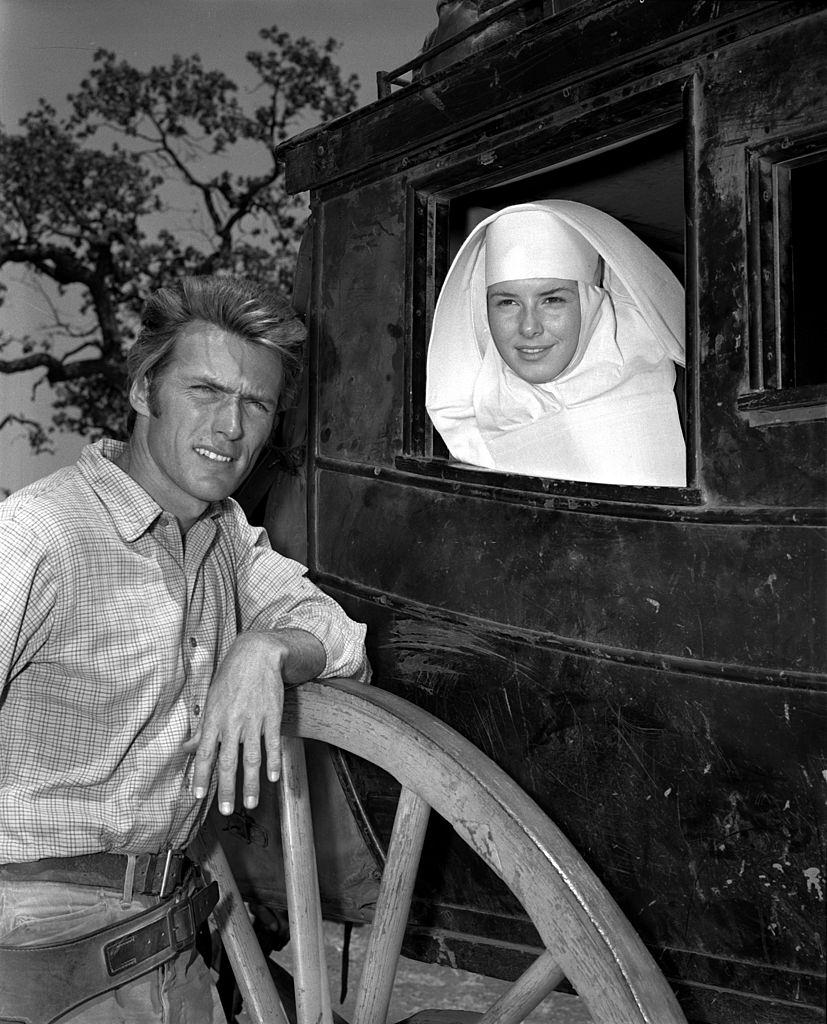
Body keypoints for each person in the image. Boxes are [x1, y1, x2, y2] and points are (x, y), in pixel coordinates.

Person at [0, 276, 370, 1022]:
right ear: (143, 392)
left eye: (255, 403)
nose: (229, 426)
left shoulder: (223, 538)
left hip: (167, 943)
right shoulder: (41, 535)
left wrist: (265, 648)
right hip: (38, 947)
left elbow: (343, 642)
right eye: (204, 389)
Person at [425, 200, 687, 486]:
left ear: (590, 302)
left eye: (552, 300)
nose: (528, 327)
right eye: (507, 302)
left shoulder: (685, 408)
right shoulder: (468, 425)